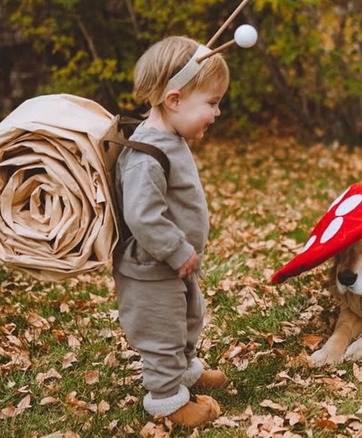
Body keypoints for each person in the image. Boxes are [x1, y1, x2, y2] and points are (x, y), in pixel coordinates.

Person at [112, 36, 229, 428]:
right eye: (211, 103)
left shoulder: (170, 137)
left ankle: (184, 374)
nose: (217, 112)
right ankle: (166, 400)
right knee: (163, 332)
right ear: (175, 100)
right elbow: (143, 216)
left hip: (175, 264)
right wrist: (178, 250)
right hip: (151, 268)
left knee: (187, 320)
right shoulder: (146, 154)